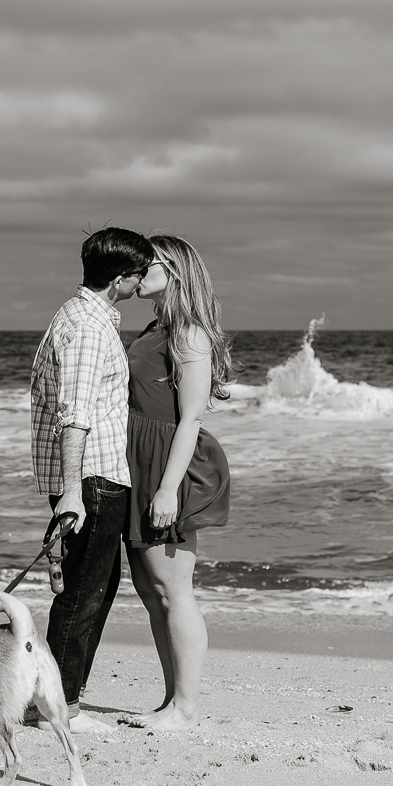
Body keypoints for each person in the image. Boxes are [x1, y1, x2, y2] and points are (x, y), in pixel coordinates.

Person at [28, 226, 155, 733]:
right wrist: (74, 491)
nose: (143, 281)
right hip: (93, 478)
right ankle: (61, 709)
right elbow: (73, 415)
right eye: (139, 274)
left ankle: (59, 700)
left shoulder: (79, 315)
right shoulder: (87, 327)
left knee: (94, 589)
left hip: (95, 475)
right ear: (121, 279)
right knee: (83, 593)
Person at [122, 234, 232, 730]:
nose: (139, 269)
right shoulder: (154, 326)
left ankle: (187, 707)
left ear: (174, 269)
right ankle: (171, 702)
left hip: (169, 466)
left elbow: (189, 419)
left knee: (175, 590)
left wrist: (167, 489)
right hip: (140, 462)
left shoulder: (188, 333)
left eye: (149, 263)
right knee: (152, 592)